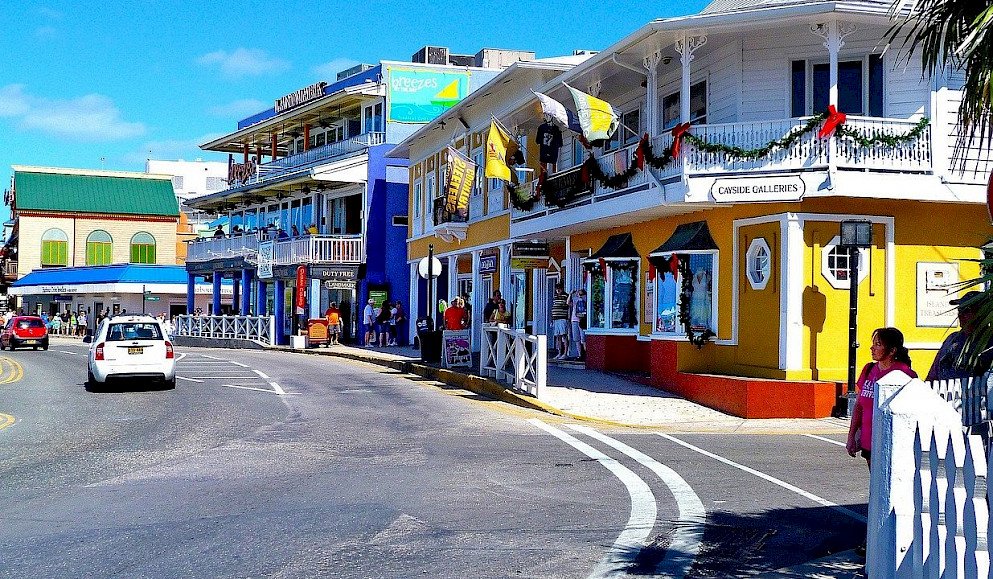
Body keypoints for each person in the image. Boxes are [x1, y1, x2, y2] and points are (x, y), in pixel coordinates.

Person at [846, 327, 917, 557]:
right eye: (873, 343)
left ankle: (878, 541)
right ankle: (873, 539)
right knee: (877, 491)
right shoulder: (869, 370)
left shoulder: (905, 374)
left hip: (892, 445)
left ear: (892, 350)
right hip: (869, 443)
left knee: (887, 492)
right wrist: (852, 436)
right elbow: (859, 406)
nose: (872, 348)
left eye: (878, 344)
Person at [926, 291, 993, 381]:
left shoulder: (990, 343)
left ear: (982, 312)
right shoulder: (952, 339)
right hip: (943, 389)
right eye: (960, 310)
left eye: (966, 310)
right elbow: (932, 376)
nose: (960, 315)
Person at [551, 283, 570, 360]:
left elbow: (567, 305)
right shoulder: (555, 297)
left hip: (562, 318)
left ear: (562, 289)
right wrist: (552, 318)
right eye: (557, 288)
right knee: (558, 337)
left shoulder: (565, 296)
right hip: (555, 318)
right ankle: (559, 353)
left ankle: (565, 353)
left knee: (564, 336)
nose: (558, 290)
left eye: (559, 288)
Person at [569, 289, 587, 360]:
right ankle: (580, 355)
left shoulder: (585, 300)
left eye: (581, 294)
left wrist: (583, 298)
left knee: (583, 338)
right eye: (578, 294)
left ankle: (586, 354)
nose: (579, 296)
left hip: (583, 320)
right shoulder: (575, 300)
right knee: (577, 338)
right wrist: (570, 294)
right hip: (575, 320)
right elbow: (568, 303)